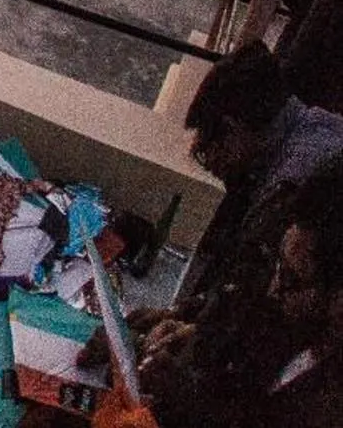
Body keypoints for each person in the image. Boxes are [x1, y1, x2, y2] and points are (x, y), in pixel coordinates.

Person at [121, 42, 343, 413]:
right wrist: (190, 316)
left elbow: (262, 307)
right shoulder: (318, 127)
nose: (216, 165)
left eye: (211, 151)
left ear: (232, 128)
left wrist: (188, 366)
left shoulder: (291, 187)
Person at [136, 157, 343, 426]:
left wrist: (188, 396)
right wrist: (181, 339)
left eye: (292, 280)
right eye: (278, 265)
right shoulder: (294, 323)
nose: (274, 289)